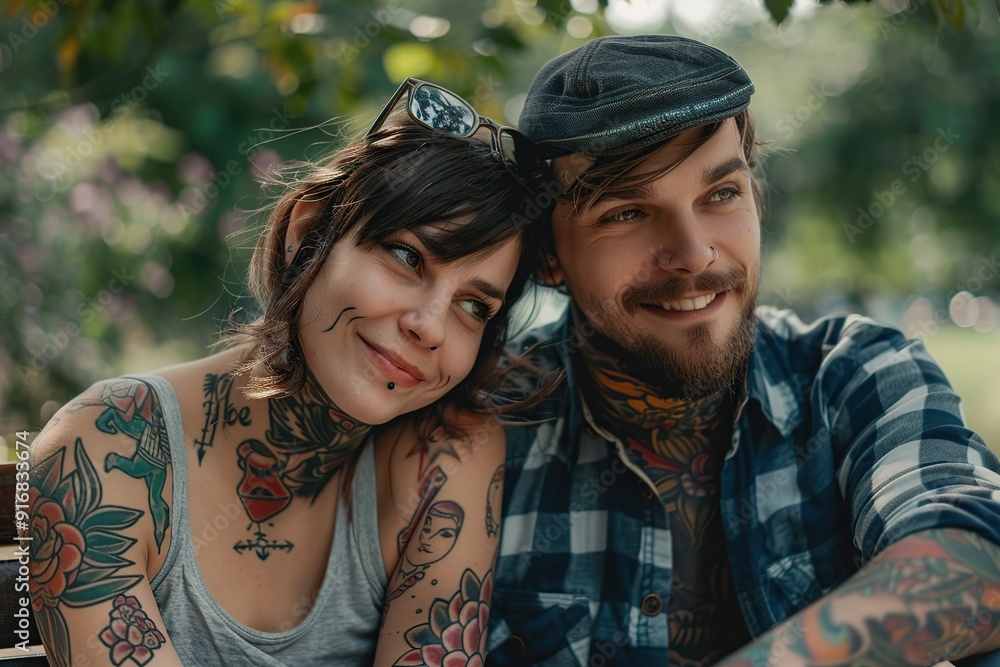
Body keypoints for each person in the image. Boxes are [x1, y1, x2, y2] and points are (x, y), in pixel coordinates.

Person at [487, 35, 1000, 666]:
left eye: (721, 194)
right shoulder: (480, 429)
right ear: (546, 255)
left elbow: (979, 556)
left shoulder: (853, 375)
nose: (695, 252)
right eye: (626, 213)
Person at [24, 77, 549, 667]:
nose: (431, 326)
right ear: (308, 234)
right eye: (407, 257)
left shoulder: (445, 458)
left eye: (474, 306)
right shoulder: (102, 446)